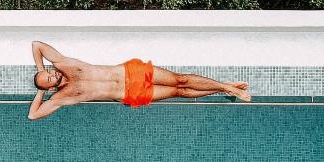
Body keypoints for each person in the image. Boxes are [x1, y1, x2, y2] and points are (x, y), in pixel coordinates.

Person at [28, 41, 251, 120]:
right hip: (128, 94)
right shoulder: (60, 97)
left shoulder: (64, 63)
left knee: (180, 79)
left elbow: (36, 45)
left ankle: (225, 86)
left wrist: (40, 70)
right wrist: (41, 92)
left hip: (129, 73)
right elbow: (33, 115)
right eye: (49, 79)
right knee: (179, 92)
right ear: (50, 87)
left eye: (48, 72)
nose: (52, 74)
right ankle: (222, 89)